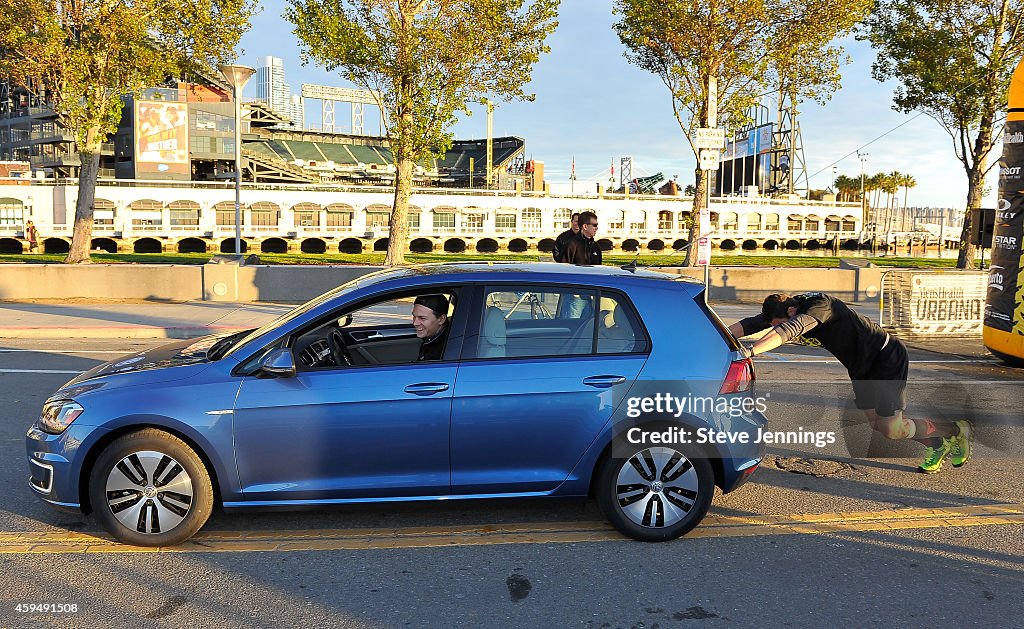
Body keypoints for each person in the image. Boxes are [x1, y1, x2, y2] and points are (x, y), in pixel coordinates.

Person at [729, 292, 972, 473]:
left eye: (778, 324)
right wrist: (715, 340)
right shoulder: (781, 311)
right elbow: (746, 326)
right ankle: (937, 443)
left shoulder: (819, 306)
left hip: (885, 357)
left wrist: (750, 352)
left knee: (892, 429)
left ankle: (955, 430)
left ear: (791, 312)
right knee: (877, 425)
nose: (774, 328)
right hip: (859, 366)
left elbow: (788, 330)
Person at [412, 294, 450, 361]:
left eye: (422, 318)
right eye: (414, 316)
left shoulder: (444, 351)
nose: (415, 323)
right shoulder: (432, 338)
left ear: (441, 319)